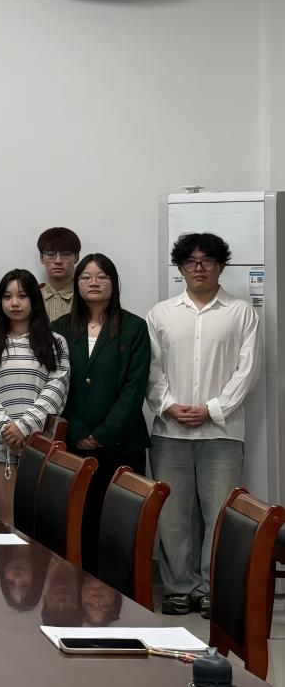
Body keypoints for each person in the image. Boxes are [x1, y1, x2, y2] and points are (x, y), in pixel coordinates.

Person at [146, 232, 261, 618]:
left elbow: (248, 371)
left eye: (207, 260)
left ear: (220, 265)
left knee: (220, 514)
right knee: (172, 514)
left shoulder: (242, 313)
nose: (199, 268)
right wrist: (168, 406)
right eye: (190, 261)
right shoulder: (161, 313)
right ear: (180, 268)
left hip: (223, 432)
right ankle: (179, 588)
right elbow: (151, 369)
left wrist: (213, 409)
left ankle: (213, 590)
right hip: (169, 431)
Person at [54, 253, 150, 575]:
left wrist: (104, 433)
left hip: (122, 443)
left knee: (119, 524)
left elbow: (135, 387)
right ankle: (79, 587)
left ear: (114, 283)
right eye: (86, 277)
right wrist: (78, 430)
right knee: (77, 521)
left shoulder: (134, 327)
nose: (93, 283)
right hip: (72, 444)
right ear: (76, 283)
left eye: (102, 277)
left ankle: (120, 592)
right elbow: (55, 384)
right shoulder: (59, 329)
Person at [0, 270, 69, 525]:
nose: (14, 303)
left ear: (34, 299)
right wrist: (7, 428)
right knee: (6, 514)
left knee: (36, 517)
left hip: (39, 440)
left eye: (22, 296)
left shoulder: (56, 342)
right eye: (7, 297)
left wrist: (24, 427)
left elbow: (56, 390)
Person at [38, 227, 81, 322]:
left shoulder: (85, 296)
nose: (58, 261)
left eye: (66, 254)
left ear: (76, 258)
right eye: (50, 254)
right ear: (41, 258)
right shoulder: (31, 296)